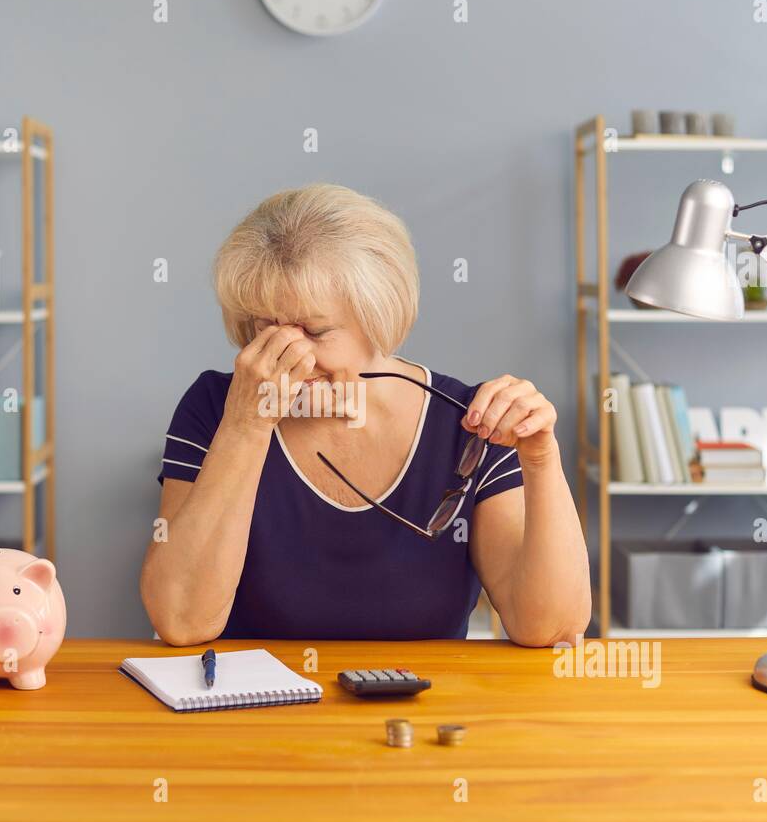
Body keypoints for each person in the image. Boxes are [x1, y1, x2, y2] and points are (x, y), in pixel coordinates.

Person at [140, 184, 590, 645]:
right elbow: (180, 621)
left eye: (314, 331)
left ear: (379, 315)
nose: (287, 352)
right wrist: (246, 424)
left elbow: (551, 628)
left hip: (422, 711)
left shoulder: (467, 424)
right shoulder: (215, 409)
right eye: (264, 326)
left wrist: (540, 460)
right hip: (257, 710)